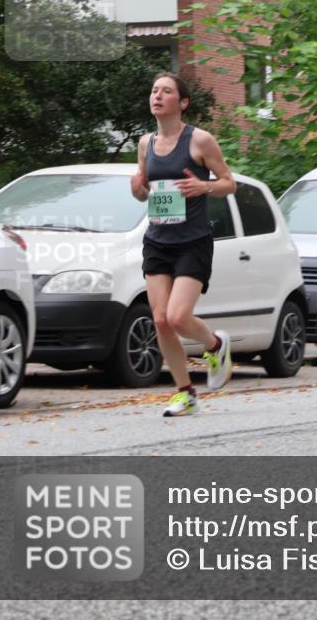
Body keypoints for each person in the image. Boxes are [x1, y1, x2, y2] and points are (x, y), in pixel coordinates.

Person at [130, 72, 237, 415]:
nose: (157, 96)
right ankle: (185, 393)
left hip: (193, 241)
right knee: (159, 320)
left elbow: (228, 183)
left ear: (183, 102)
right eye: (153, 90)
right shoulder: (145, 144)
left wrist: (204, 187)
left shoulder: (200, 141)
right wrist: (138, 190)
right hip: (158, 240)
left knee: (177, 318)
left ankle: (215, 345)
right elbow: (146, 192)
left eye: (166, 91)